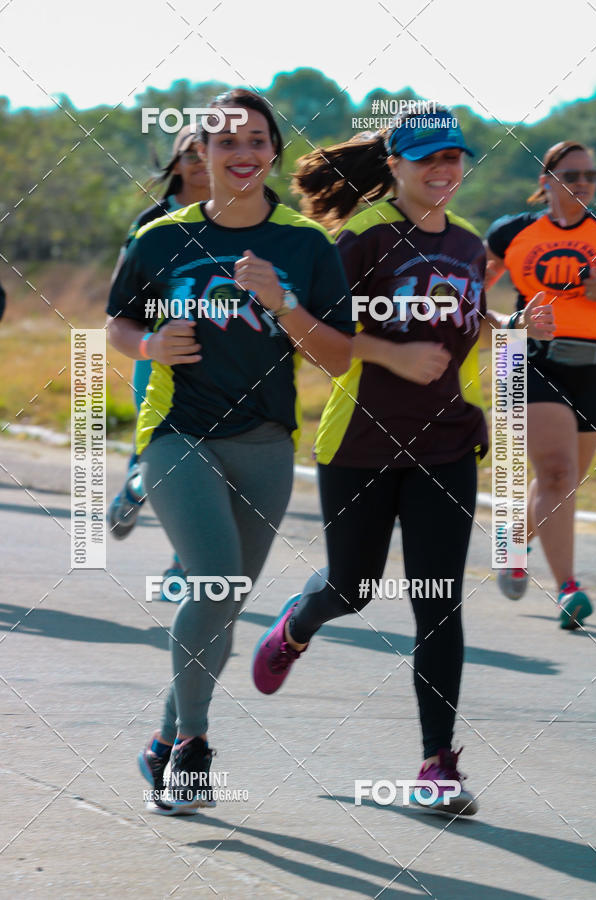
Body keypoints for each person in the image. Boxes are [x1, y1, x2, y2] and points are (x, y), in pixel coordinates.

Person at [252, 110, 554, 817]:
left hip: (445, 445)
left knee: (438, 602)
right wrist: (390, 355)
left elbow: (459, 326)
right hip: (359, 443)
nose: (444, 172)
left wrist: (511, 328)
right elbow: (319, 344)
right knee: (352, 589)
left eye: (454, 158)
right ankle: (299, 622)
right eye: (428, 160)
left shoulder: (469, 244)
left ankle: (437, 764)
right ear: (394, 164)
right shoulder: (358, 242)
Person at [106, 89, 354, 813]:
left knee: (225, 604)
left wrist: (283, 304)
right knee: (213, 583)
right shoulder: (160, 239)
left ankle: (161, 741)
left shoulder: (306, 246)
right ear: (200, 155)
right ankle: (193, 746)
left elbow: (338, 357)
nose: (242, 152)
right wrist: (150, 344)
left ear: (274, 151)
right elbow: (118, 328)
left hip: (267, 443)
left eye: (256, 139)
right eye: (225, 141)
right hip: (176, 433)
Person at [486, 140, 596, 629]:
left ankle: (514, 540)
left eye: (589, 176)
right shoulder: (511, 232)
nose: (581, 184)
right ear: (545, 180)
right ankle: (569, 589)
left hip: (594, 365)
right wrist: (513, 319)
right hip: (530, 358)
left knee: (568, 478)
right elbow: (468, 296)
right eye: (570, 175)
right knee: (556, 472)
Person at [108, 125, 211, 600]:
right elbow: (122, 295)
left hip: (223, 358)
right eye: (187, 155)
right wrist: (155, 335)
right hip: (161, 354)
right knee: (162, 453)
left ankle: (182, 564)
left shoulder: (245, 218)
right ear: (175, 164)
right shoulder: (154, 221)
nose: (198, 163)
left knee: (208, 463)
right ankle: (136, 486)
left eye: (203, 153)